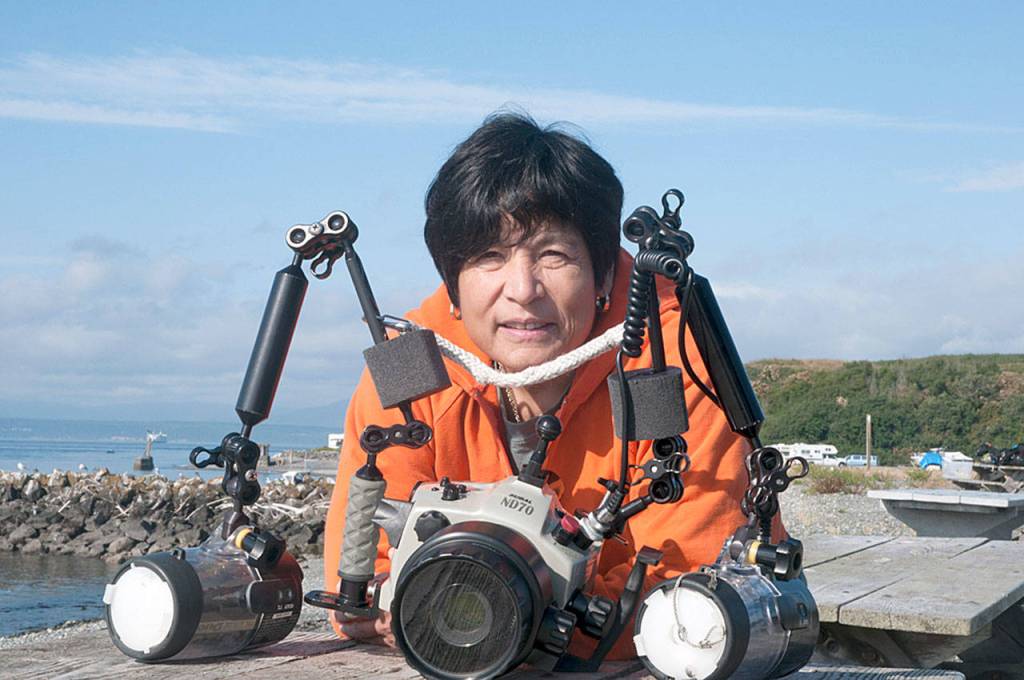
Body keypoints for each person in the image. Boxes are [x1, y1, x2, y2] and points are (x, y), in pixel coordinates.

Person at [322, 112, 784, 660]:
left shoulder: (673, 362)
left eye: (553, 255)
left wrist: (474, 615)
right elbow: (357, 585)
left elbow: (687, 603)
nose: (523, 289)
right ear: (452, 282)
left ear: (604, 274)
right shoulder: (410, 371)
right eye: (489, 256)